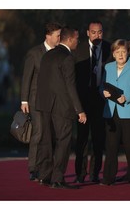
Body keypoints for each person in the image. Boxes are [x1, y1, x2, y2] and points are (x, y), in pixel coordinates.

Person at [35, 26, 87, 189]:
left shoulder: (47, 55)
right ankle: (57, 179)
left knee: (46, 141)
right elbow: (70, 86)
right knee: (63, 142)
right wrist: (80, 110)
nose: (78, 42)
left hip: (44, 105)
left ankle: (45, 176)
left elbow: (42, 81)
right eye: (77, 39)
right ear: (70, 39)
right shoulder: (68, 58)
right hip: (62, 108)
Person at [100, 39, 130, 187]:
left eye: (123, 52)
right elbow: (102, 86)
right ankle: (108, 178)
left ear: (128, 53)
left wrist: (127, 97)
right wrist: (103, 92)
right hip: (111, 112)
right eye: (117, 52)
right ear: (113, 54)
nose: (120, 54)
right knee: (111, 147)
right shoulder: (107, 67)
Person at [20, 22, 62, 181]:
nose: (59, 38)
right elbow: (26, 78)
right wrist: (24, 101)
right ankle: (33, 168)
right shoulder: (34, 53)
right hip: (36, 101)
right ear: (48, 36)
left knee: (49, 134)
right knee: (38, 133)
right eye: (57, 35)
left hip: (54, 101)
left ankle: (46, 168)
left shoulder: (60, 52)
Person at [74, 20, 111, 183]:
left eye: (100, 32)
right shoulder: (78, 49)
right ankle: (80, 174)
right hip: (82, 100)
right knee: (81, 139)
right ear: (88, 33)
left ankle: (95, 172)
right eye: (94, 32)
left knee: (98, 139)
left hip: (101, 99)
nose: (97, 35)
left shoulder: (109, 48)